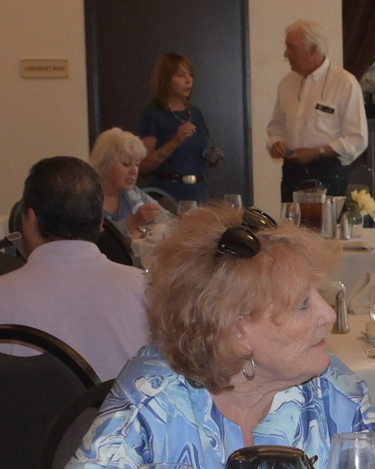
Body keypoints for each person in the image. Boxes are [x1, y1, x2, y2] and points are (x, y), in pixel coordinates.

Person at [38, 204, 375, 469]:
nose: (328, 314)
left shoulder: (328, 383)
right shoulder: (155, 391)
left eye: (319, 295)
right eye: (302, 304)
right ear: (238, 332)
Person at [0, 156, 148, 380]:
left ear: (31, 220)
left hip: (33, 405)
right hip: (122, 403)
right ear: (101, 221)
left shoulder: (4, 294)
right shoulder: (145, 289)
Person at [267, 19, 368, 201]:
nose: (286, 53)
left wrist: (317, 151)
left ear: (313, 50)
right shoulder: (286, 83)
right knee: (290, 221)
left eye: (291, 47)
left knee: (325, 221)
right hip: (291, 173)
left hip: (327, 174)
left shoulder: (344, 83)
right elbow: (276, 128)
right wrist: (275, 143)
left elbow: (357, 139)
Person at [136, 52, 221, 202]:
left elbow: (197, 154)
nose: (189, 80)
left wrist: (211, 156)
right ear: (166, 79)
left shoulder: (195, 112)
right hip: (167, 195)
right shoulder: (153, 113)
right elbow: (143, 166)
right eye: (181, 75)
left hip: (199, 192)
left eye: (191, 75)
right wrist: (175, 140)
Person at [90, 127, 170, 239]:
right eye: (126, 164)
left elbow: (169, 222)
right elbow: (92, 239)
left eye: (137, 164)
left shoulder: (133, 193)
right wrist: (132, 223)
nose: (134, 171)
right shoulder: (87, 199)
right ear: (104, 165)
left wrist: (142, 230)